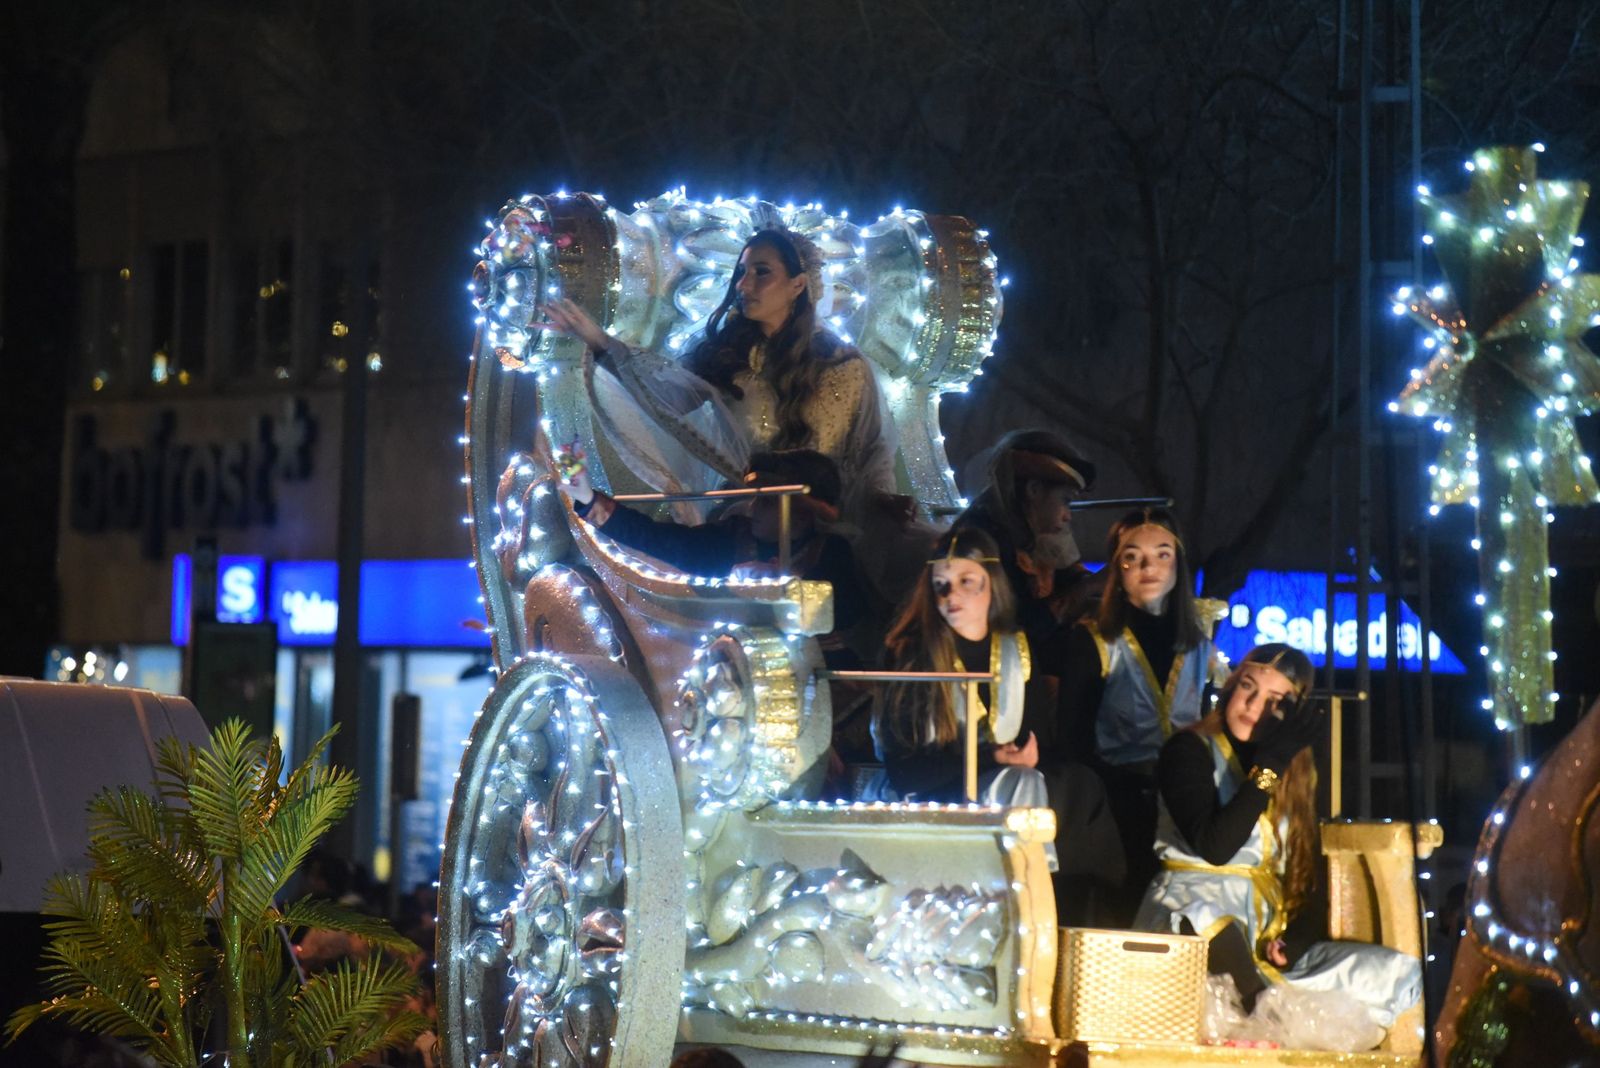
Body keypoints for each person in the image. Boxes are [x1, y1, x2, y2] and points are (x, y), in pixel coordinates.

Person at [1136, 644, 1421, 1033]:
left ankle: (1268, 1006)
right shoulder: (1187, 750)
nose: (1254, 705)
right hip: (1191, 911)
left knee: (1392, 972)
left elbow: (1306, 876)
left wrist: (1295, 941)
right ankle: (1262, 1014)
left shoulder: (1296, 775)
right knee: (1207, 923)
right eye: (1248, 687)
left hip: (1263, 932)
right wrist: (1269, 765)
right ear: (1231, 686)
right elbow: (1216, 847)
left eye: (1275, 701)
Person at [538, 227, 898, 524]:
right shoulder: (725, 360)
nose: (743, 285)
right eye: (741, 273)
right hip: (745, 530)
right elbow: (663, 397)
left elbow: (872, 454)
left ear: (798, 285)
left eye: (761, 272)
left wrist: (883, 505)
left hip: (830, 533)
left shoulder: (845, 366)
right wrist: (600, 341)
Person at [867, 529, 1126, 914]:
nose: (950, 596)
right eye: (941, 585)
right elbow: (906, 769)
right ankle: (1021, 899)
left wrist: (1018, 758)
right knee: (1021, 782)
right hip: (931, 786)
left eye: (965, 582)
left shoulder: (1016, 650)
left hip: (1004, 785)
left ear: (992, 586)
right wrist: (994, 758)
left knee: (1075, 786)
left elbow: (1037, 741)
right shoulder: (909, 658)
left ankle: (1081, 908)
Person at [559, 446, 868, 664]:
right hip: (742, 672)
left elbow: (850, 613)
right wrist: (588, 499)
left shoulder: (830, 551)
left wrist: (789, 585)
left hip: (821, 672)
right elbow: (661, 540)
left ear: (801, 515)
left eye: (767, 503)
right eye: (755, 500)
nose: (752, 509)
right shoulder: (732, 537)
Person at [1058, 507, 1219, 923]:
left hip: (1183, 788)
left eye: (1162, 554)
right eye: (1133, 557)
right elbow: (1073, 738)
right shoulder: (1094, 638)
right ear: (1117, 566)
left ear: (1179, 563)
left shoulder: (1198, 643)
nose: (1148, 567)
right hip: (1119, 792)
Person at [951, 428, 1099, 646]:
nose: (1068, 516)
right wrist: (1090, 587)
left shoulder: (1033, 532)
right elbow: (1020, 626)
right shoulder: (980, 541)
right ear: (1035, 490)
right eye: (1065, 500)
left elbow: (1071, 579)